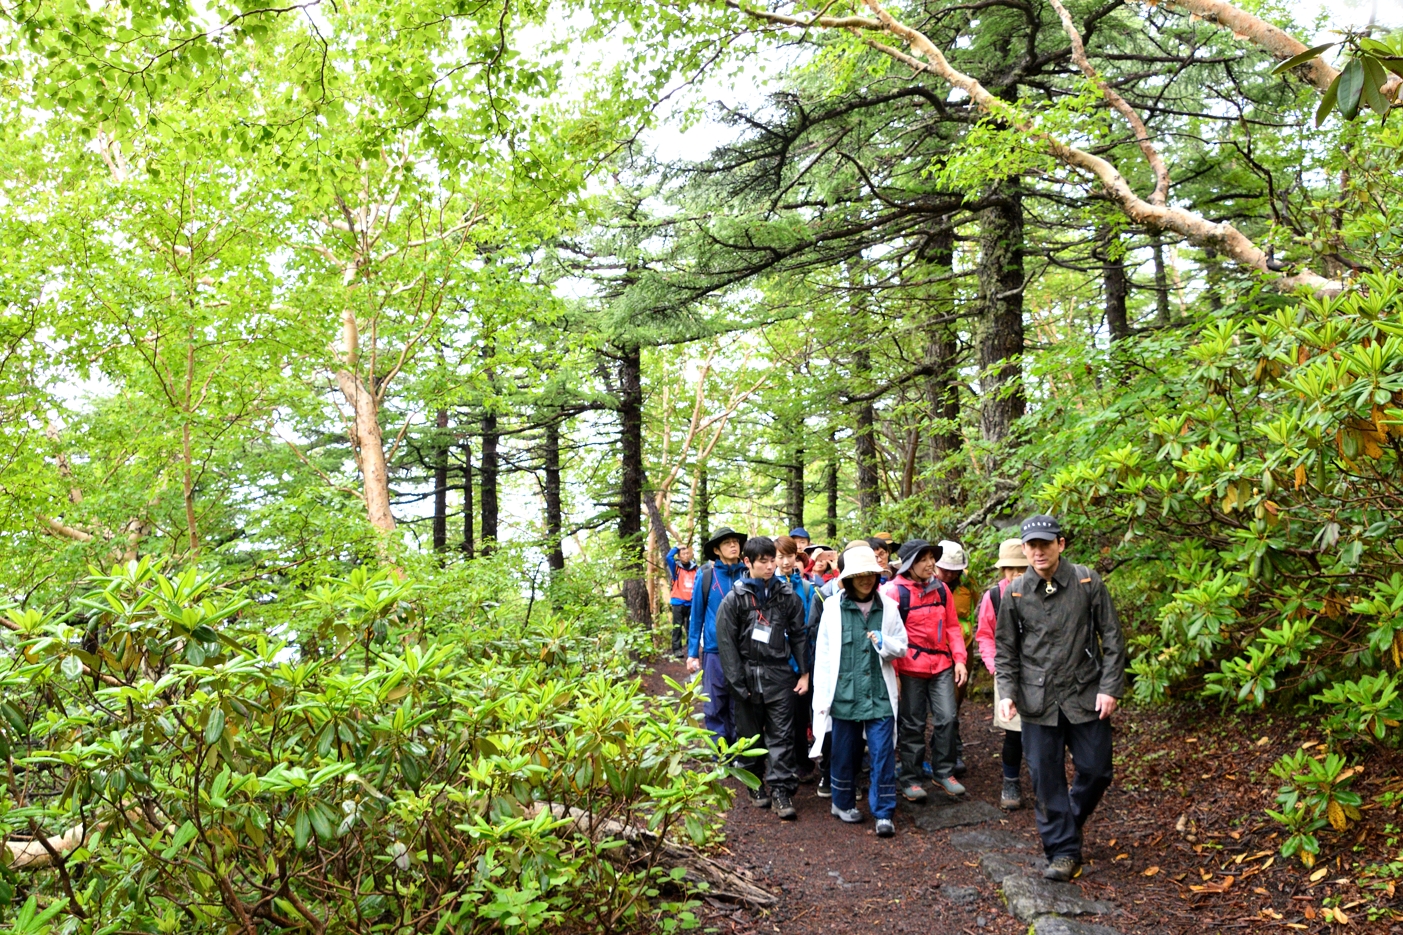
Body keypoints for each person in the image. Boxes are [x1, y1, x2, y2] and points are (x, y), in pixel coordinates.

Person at [995, 515, 1127, 882]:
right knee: (1045, 778)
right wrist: (1007, 693)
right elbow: (1006, 650)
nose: (1038, 551)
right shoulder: (1016, 592)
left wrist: (1110, 687)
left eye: (1045, 544)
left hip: (1085, 694)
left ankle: (1066, 819)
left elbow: (1112, 637)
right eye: (1031, 546)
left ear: (1061, 544)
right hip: (1037, 700)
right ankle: (1063, 851)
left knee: (1097, 769)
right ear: (1024, 550)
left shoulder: (1086, 581)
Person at [810, 544, 908, 838]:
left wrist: (884, 643)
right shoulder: (832, 608)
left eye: (871, 574)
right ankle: (841, 803)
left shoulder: (888, 607)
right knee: (843, 752)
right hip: (844, 693)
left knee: (882, 753)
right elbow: (824, 657)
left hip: (879, 693)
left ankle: (884, 812)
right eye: (859, 575)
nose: (866, 579)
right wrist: (821, 698)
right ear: (849, 578)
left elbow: (902, 645)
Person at [716, 536, 810, 820]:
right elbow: (726, 644)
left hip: (779, 674)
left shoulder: (787, 596)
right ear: (748, 562)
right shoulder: (734, 599)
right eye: (763, 562)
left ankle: (781, 790)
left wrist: (804, 672)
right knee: (749, 736)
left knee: (782, 735)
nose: (770, 567)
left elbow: (799, 635)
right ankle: (754, 784)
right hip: (747, 676)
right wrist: (737, 683)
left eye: (772, 561)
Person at [884, 539, 967, 802]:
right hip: (909, 667)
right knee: (913, 724)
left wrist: (960, 659)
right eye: (923, 559)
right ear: (909, 565)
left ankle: (944, 772)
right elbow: (889, 636)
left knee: (948, 718)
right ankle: (911, 778)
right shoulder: (894, 592)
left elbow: (953, 627)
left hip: (941, 664)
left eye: (932, 558)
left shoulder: (941, 589)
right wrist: (896, 674)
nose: (931, 564)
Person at [975, 538, 1031, 810]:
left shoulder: (1043, 590)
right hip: (1007, 670)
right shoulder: (994, 596)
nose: (1016, 573)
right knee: (1013, 732)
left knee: (1044, 731)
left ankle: (1046, 782)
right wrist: (995, 667)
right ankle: (1011, 781)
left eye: (1021, 567)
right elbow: (985, 635)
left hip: (1042, 670)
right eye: (1011, 568)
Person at [687, 527, 749, 745]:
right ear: (716, 550)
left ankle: (739, 750)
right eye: (726, 543)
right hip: (714, 650)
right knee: (714, 702)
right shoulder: (706, 577)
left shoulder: (748, 574)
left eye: (736, 542)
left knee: (740, 702)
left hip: (744, 650)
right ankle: (720, 752)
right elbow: (696, 616)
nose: (733, 545)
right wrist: (692, 653)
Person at [776, 535, 819, 782]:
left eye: (789, 556)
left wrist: (807, 665)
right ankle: (784, 765)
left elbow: (810, 626)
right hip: (776, 662)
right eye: (780, 556)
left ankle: (802, 763)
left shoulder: (805, 587)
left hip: (801, 660)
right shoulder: (767, 586)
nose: (785, 562)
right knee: (781, 716)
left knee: (802, 715)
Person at [935, 540, 973, 778]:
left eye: (954, 570)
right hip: (935, 651)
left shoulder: (967, 583)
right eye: (945, 569)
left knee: (955, 701)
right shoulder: (926, 583)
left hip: (963, 648)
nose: (949, 574)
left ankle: (951, 748)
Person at [664, 544, 699, 657]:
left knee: (691, 627)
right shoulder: (676, 567)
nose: (686, 555)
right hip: (678, 602)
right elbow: (668, 557)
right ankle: (677, 650)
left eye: (687, 553)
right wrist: (677, 548)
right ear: (679, 556)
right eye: (683, 554)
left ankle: (691, 649)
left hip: (691, 602)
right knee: (677, 626)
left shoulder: (695, 568)